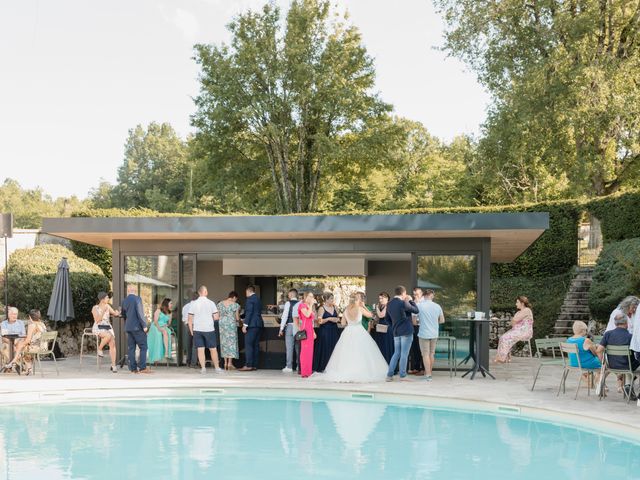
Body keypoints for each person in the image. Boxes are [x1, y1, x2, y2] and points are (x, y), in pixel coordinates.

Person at [323, 292, 388, 383]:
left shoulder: (346, 310)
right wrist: (364, 306)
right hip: (359, 330)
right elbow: (371, 315)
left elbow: (343, 323)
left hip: (348, 331)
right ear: (357, 300)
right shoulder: (360, 308)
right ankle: (360, 371)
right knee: (361, 352)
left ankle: (347, 371)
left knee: (347, 353)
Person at [598, 313, 640, 400]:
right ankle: (630, 386)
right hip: (627, 366)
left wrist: (604, 364)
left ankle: (628, 385)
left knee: (629, 364)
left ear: (615, 323)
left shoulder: (607, 334)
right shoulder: (630, 336)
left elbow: (599, 350)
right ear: (626, 323)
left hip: (613, 366)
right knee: (634, 362)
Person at [384, 286, 419, 382]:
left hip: (396, 332)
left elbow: (387, 319)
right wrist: (411, 300)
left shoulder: (389, 304)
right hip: (406, 332)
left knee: (396, 353)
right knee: (404, 354)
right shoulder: (403, 303)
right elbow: (416, 310)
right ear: (403, 293)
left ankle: (389, 375)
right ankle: (403, 375)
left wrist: (393, 326)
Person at [188, 285, 223, 374]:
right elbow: (216, 317)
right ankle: (217, 368)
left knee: (200, 349)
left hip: (197, 329)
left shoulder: (193, 304)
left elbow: (190, 319)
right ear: (206, 292)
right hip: (209, 329)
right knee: (213, 349)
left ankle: (203, 368)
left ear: (199, 293)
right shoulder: (211, 303)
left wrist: (191, 330)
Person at [121, 284, 152, 374]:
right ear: (135, 290)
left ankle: (133, 369)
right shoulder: (137, 299)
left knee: (131, 348)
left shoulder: (124, 301)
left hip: (128, 327)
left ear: (128, 291)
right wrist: (144, 325)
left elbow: (123, 314)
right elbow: (140, 313)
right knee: (143, 346)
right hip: (137, 327)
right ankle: (142, 368)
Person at [494, 296, 534, 363]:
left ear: (522, 303)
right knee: (502, 337)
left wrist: (514, 321)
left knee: (505, 338)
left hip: (525, 331)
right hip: (518, 330)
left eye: (517, 302)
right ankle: (504, 357)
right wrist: (514, 322)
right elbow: (513, 323)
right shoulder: (519, 312)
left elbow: (514, 320)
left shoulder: (527, 310)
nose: (516, 304)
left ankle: (502, 358)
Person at [8, 309, 47, 375]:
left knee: (19, 347)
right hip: (44, 347)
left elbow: (28, 340)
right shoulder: (42, 324)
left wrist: (21, 344)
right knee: (21, 346)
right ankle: (28, 368)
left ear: (29, 317)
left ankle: (14, 361)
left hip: (36, 348)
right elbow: (35, 337)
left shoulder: (32, 325)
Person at [417, 289, 445, 382]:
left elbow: (414, 320)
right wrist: (434, 322)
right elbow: (442, 320)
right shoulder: (437, 306)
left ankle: (428, 375)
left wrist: (420, 322)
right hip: (434, 333)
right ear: (431, 295)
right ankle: (429, 373)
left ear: (424, 295)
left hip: (424, 333)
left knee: (425, 354)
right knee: (431, 354)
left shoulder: (419, 305)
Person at [91, 291, 119, 373]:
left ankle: (113, 365)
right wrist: (103, 310)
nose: (108, 299)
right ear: (102, 299)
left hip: (107, 326)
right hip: (98, 327)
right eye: (107, 298)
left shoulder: (108, 306)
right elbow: (97, 320)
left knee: (112, 343)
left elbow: (114, 313)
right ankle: (99, 349)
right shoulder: (95, 308)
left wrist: (117, 312)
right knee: (108, 336)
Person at [239, 285, 264, 371]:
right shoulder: (258, 299)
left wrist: (245, 325)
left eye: (246, 292)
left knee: (248, 345)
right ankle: (254, 365)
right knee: (255, 345)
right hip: (259, 324)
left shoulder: (249, 299)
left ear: (248, 291)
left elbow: (249, 312)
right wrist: (242, 316)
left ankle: (248, 365)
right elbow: (253, 312)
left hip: (252, 325)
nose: (245, 294)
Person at [313, 293, 340, 373]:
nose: (332, 300)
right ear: (326, 299)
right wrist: (328, 319)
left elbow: (338, 318)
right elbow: (319, 321)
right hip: (325, 331)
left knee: (334, 347)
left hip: (334, 330)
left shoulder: (335, 307)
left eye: (333, 298)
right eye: (331, 298)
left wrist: (337, 319)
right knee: (326, 348)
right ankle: (324, 366)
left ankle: (334, 367)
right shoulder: (322, 308)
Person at [278, 288, 300, 373]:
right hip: (298, 327)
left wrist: (281, 328)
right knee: (298, 348)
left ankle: (289, 366)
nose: (288, 295)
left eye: (289, 294)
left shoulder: (288, 303)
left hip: (290, 326)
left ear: (291, 295)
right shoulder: (300, 303)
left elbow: (285, 316)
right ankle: (299, 366)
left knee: (289, 348)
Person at [218, 291, 241, 370]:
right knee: (231, 343)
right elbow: (237, 318)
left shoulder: (220, 304)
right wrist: (240, 321)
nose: (236, 300)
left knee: (224, 343)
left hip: (222, 325)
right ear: (234, 297)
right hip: (231, 325)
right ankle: (229, 363)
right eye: (236, 299)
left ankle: (224, 363)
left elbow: (218, 315)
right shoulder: (235, 305)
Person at [296, 291, 317, 378]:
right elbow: (307, 315)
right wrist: (311, 305)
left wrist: (314, 331)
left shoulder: (308, 306)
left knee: (310, 352)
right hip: (305, 329)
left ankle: (308, 371)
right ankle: (304, 372)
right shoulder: (302, 305)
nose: (311, 298)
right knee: (304, 351)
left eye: (312, 297)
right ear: (305, 297)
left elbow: (311, 321)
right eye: (309, 296)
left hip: (310, 329)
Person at [148, 298, 174, 364]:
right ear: (166, 303)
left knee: (167, 332)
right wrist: (159, 328)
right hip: (156, 326)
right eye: (170, 303)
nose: (172, 305)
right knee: (161, 332)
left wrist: (166, 325)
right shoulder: (158, 310)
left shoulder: (170, 313)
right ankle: (160, 354)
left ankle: (166, 352)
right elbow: (155, 321)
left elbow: (169, 323)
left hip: (164, 326)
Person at [373, 292, 394, 364]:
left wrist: (376, 308)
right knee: (381, 346)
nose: (380, 300)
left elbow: (381, 315)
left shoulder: (388, 305)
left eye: (382, 298)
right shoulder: (382, 306)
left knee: (387, 346)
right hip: (381, 328)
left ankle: (389, 363)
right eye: (379, 298)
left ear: (387, 298)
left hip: (387, 328)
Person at [409, 287, 425, 375]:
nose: (415, 296)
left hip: (421, 327)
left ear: (421, 293)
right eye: (414, 294)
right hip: (413, 327)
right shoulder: (413, 302)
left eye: (417, 294)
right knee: (415, 348)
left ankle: (423, 369)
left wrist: (417, 321)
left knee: (421, 348)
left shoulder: (423, 303)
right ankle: (416, 368)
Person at [182, 292, 199, 367]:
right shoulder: (198, 306)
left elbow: (183, 318)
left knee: (189, 344)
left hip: (187, 325)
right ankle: (193, 363)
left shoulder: (186, 306)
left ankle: (188, 361)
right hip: (196, 325)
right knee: (195, 345)